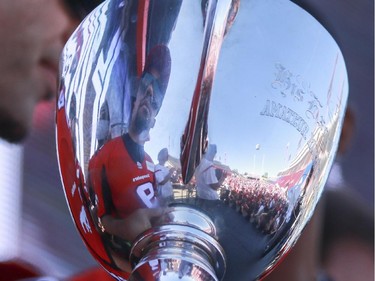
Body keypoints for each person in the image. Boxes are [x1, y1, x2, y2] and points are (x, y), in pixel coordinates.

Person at [88, 44, 171, 272]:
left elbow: (153, 202)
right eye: (146, 86)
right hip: (128, 262)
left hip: (158, 258)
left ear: (154, 120)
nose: (150, 95)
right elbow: (102, 218)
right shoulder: (103, 157)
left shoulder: (151, 159)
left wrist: (165, 211)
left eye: (156, 100)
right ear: (134, 101)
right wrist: (125, 227)